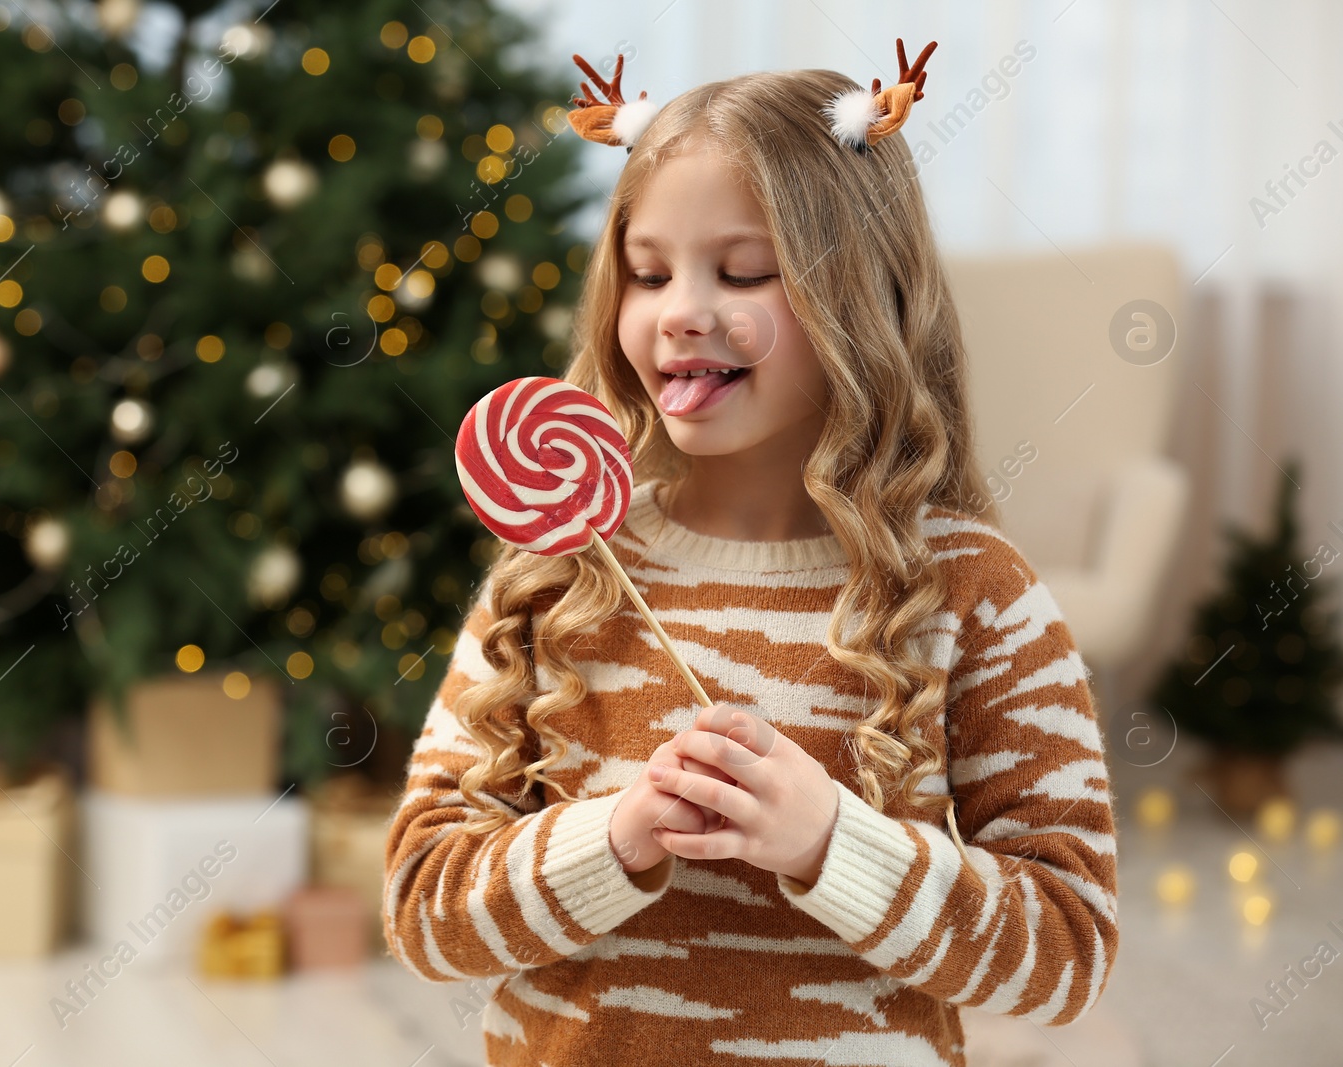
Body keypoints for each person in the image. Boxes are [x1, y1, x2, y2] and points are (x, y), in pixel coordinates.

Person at [382, 42, 1118, 1067]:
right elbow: (423, 912)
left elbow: (1065, 951)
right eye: (647, 273)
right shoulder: (556, 570)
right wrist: (617, 835)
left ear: (861, 293)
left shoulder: (972, 590)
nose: (680, 309)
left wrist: (833, 843)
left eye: (741, 270)